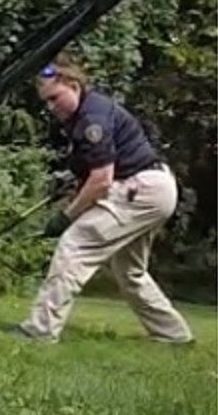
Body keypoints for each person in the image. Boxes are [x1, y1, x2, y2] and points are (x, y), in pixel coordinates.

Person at [12, 56, 194, 345]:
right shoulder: (86, 113)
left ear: (73, 85)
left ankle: (39, 331)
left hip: (142, 189)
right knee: (130, 272)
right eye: (46, 101)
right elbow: (96, 172)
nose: (51, 107)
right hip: (156, 188)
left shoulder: (91, 119)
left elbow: (102, 180)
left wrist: (66, 217)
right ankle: (174, 336)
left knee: (75, 245)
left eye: (54, 98)